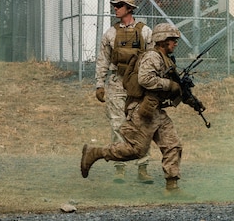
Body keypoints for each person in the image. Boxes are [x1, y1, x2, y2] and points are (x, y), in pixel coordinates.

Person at [81, 23, 203, 193]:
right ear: (162, 41)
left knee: (172, 145)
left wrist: (193, 102)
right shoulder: (152, 57)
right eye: (172, 40)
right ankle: (95, 153)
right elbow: (145, 79)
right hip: (142, 110)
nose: (176, 43)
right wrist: (169, 85)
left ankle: (172, 186)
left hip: (156, 110)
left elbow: (177, 88)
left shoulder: (166, 59)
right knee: (136, 150)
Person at [94, 0, 154, 184]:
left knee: (142, 125)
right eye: (115, 5)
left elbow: (153, 59)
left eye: (120, 5)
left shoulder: (145, 32)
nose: (116, 8)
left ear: (129, 9)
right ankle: (119, 167)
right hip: (116, 82)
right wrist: (99, 85)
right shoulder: (110, 34)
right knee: (117, 125)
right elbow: (102, 60)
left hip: (139, 84)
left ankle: (143, 167)